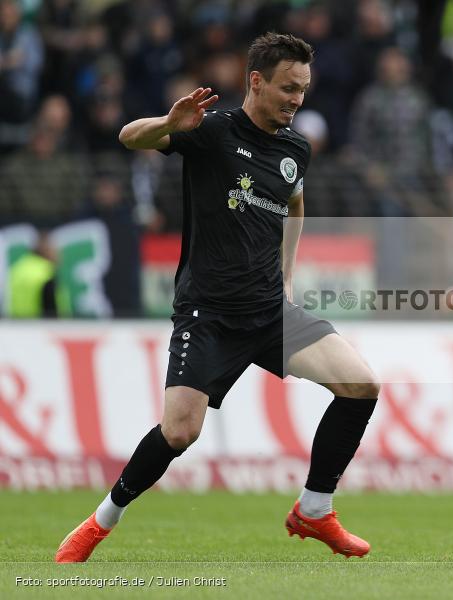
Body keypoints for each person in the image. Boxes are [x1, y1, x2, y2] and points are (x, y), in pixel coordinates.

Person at [55, 33, 380, 563]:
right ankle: (100, 522)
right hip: (208, 312)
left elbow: (295, 206)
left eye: (303, 89)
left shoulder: (295, 149)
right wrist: (166, 124)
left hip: (269, 310)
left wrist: (288, 278)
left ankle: (315, 510)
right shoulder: (212, 132)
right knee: (179, 432)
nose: (297, 100)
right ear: (256, 82)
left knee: (361, 385)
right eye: (288, 88)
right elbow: (128, 136)